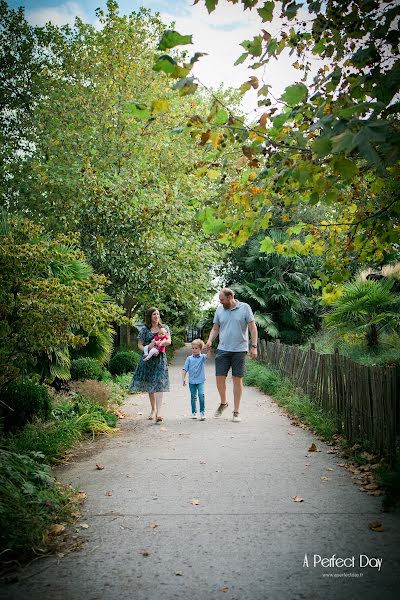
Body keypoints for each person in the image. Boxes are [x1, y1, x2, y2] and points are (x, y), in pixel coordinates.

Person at [205, 288, 257, 422]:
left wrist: (254, 346)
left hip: (239, 349)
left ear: (230, 297)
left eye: (222, 299)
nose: (220, 302)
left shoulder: (245, 308)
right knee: (219, 378)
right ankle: (223, 403)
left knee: (237, 379)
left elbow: (252, 328)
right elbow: (216, 328)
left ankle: (236, 411)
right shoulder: (219, 310)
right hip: (223, 349)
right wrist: (210, 340)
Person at [129, 307, 171, 423]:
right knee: (150, 386)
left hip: (160, 360)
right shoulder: (144, 330)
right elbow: (140, 345)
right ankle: (153, 409)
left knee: (159, 385)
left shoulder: (164, 328)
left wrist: (159, 343)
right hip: (148, 360)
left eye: (157, 314)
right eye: (154, 314)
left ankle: (159, 412)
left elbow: (169, 341)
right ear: (149, 316)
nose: (156, 316)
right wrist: (147, 348)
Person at [182, 339, 209, 421]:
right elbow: (184, 369)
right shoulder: (189, 358)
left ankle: (202, 412)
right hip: (192, 381)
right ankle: (194, 412)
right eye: (193, 348)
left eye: (196, 348)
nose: (194, 350)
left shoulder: (202, 357)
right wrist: (183, 378)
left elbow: (208, 355)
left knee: (201, 395)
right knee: (193, 397)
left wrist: (208, 348)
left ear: (200, 349)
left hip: (200, 380)